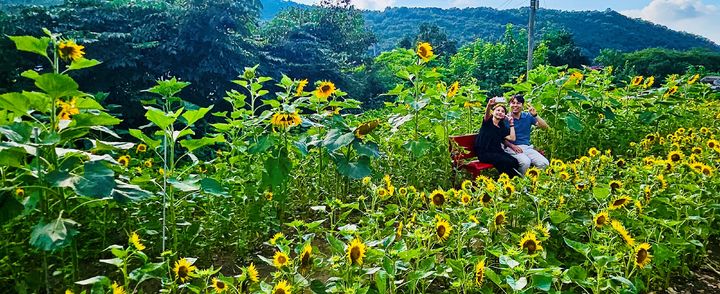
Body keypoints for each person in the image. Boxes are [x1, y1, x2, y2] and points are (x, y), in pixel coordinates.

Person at [473, 97, 520, 177]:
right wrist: (488, 105)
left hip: (497, 152)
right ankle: (511, 180)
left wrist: (511, 123)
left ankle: (505, 180)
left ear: (504, 115)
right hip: (485, 153)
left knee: (514, 162)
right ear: (493, 112)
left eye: (502, 111)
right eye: (498, 110)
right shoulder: (488, 122)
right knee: (505, 162)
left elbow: (512, 138)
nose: (500, 112)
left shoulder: (501, 126)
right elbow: (486, 115)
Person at [503, 95, 549, 175]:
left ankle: (532, 181)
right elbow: (500, 137)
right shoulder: (505, 118)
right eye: (513, 103)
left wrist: (535, 115)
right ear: (509, 104)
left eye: (518, 103)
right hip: (510, 148)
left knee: (544, 163)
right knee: (525, 162)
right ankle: (520, 183)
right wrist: (512, 146)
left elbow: (544, 126)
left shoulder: (527, 116)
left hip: (526, 148)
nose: (515, 105)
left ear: (522, 105)